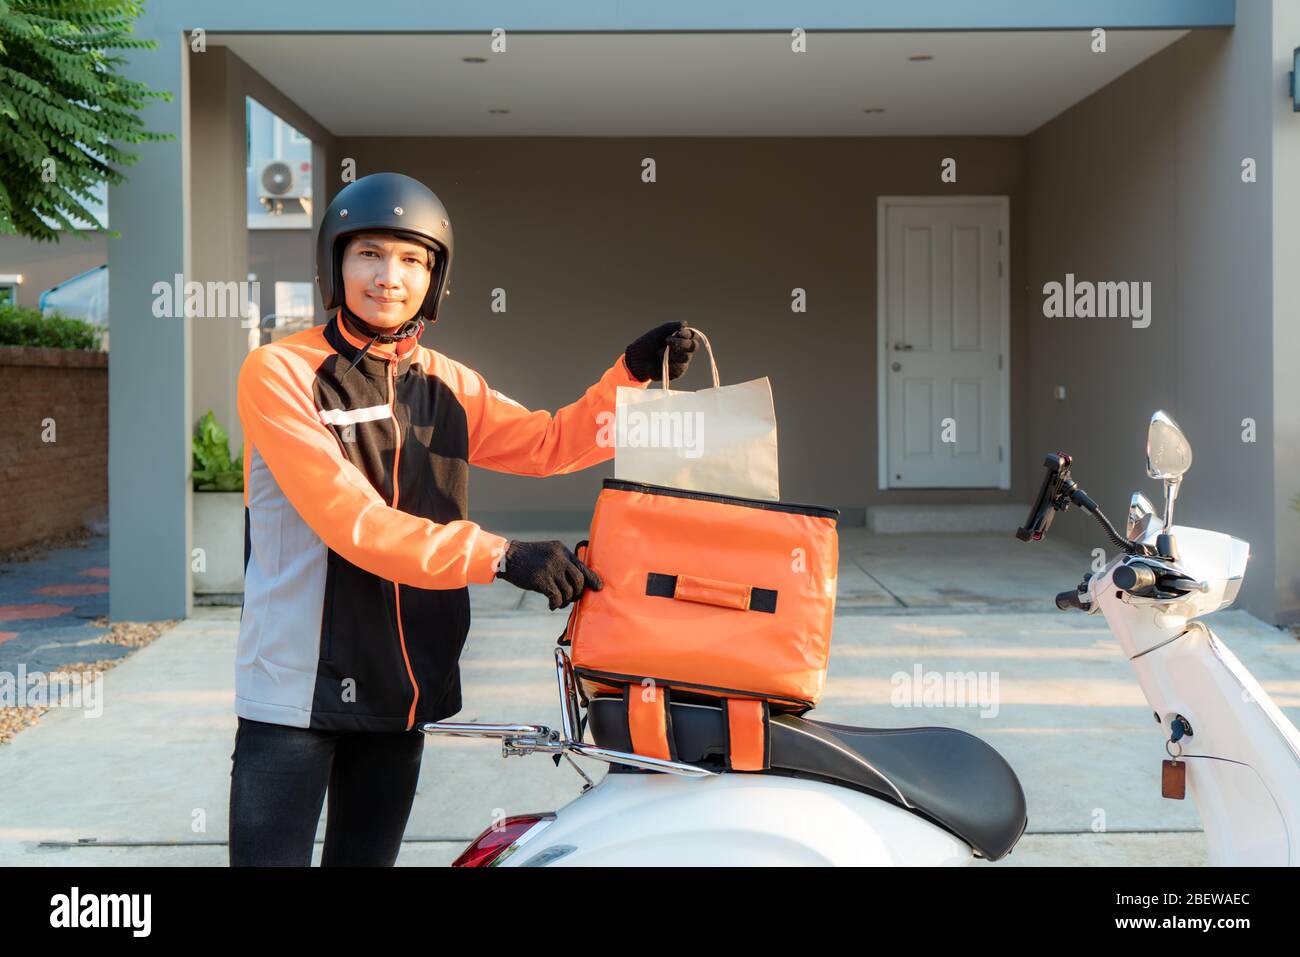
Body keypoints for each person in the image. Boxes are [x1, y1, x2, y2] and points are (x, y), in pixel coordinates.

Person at [228, 171, 697, 866]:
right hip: (293, 694)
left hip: (401, 688)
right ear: (336, 262)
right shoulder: (279, 372)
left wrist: (629, 376)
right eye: (370, 254)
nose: (390, 276)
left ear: (435, 277)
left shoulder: (447, 381)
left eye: (412, 259)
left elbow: (549, 442)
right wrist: (502, 555)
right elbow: (352, 521)